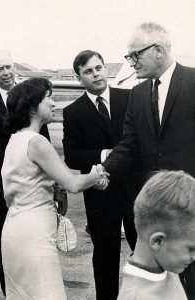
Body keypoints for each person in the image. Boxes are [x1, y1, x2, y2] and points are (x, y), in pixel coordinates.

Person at [101, 21, 195, 299]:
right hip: (158, 213)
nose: (131, 62)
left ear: (158, 50)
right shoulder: (138, 93)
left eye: (135, 55)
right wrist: (101, 173)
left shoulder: (193, 82)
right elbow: (128, 145)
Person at [1, 77, 107, 299]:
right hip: (35, 234)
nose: (54, 104)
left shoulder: (14, 140)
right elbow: (74, 183)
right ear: (32, 107)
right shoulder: (37, 142)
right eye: (48, 98)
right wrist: (98, 172)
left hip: (14, 230)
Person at [0, 51, 51, 295]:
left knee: (36, 238)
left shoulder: (28, 94)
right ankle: (11, 293)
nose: (5, 73)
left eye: (9, 67)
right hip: (1, 185)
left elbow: (41, 134)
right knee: (6, 240)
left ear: (15, 68)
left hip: (33, 181)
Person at [63, 50, 140, 300]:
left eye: (99, 68)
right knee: (105, 257)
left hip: (134, 190)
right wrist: (105, 154)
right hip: (99, 194)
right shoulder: (73, 112)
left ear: (105, 69)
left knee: (143, 254)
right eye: (88, 71)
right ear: (79, 78)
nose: (96, 74)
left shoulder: (130, 98)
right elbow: (73, 156)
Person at [118, 170, 195, 300]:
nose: (194, 257)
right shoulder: (137, 296)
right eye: (191, 249)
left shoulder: (165, 263)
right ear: (158, 242)